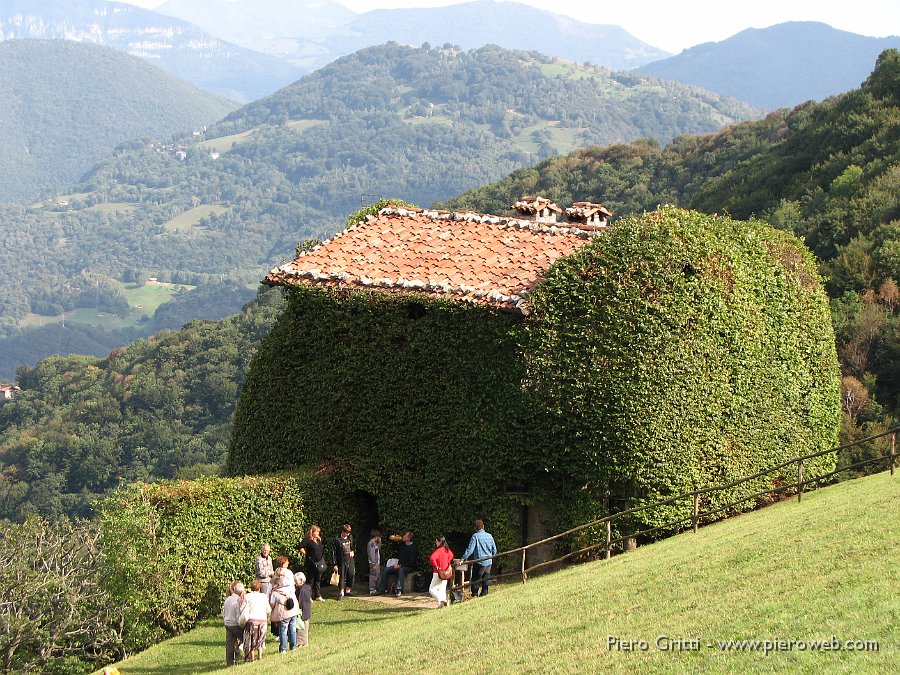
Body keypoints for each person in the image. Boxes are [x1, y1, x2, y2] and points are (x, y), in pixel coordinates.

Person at [460, 519, 497, 597]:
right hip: (489, 561)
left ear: (475, 528)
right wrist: (492, 556)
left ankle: (475, 594)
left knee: (476, 579)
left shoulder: (475, 536)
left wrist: (463, 558)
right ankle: (484, 593)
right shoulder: (489, 535)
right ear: (483, 526)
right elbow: (494, 549)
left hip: (480, 561)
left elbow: (470, 550)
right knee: (486, 578)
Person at [376, 531, 417, 596]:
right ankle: (381, 589)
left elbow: (411, 562)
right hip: (399, 565)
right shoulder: (403, 545)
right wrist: (394, 540)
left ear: (409, 538)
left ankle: (399, 590)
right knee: (387, 570)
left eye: (405, 535)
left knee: (401, 570)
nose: (403, 536)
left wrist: (400, 566)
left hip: (409, 567)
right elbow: (394, 547)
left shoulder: (413, 547)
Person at [269, 569, 299, 653]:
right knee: (292, 629)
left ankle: (283, 649)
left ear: (276, 584)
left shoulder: (275, 593)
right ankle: (293, 647)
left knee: (283, 631)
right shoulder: (290, 588)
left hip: (283, 614)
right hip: (292, 611)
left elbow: (272, 604)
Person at [242, 580, 271, 662]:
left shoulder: (247, 596)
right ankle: (260, 655)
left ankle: (252, 657)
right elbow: (268, 609)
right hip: (262, 620)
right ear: (259, 588)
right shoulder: (264, 596)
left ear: (251, 588)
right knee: (260, 638)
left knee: (251, 639)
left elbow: (244, 609)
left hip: (251, 620)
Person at [298, 525, 326, 602]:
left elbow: (322, 548)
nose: (318, 533)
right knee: (310, 580)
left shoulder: (319, 540)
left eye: (318, 532)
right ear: (312, 532)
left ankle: (318, 595)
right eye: (316, 532)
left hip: (319, 562)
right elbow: (300, 546)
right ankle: (308, 596)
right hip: (311, 563)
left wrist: (320, 540)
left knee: (318, 579)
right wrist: (306, 553)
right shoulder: (307, 540)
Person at [221, 580, 245, 666]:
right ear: (241, 592)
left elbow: (223, 612)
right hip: (235, 624)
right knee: (246, 638)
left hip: (227, 624)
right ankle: (248, 657)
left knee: (229, 644)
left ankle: (230, 662)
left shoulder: (227, 599)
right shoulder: (237, 601)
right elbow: (238, 615)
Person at [428, 536, 454, 609]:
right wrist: (447, 562)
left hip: (438, 572)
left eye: (436, 542)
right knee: (442, 588)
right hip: (445, 572)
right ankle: (443, 602)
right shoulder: (447, 550)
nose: (436, 543)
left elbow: (432, 558)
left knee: (432, 589)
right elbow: (451, 555)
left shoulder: (439, 550)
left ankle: (441, 600)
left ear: (440, 542)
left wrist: (436, 566)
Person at [332, 522, 356, 599]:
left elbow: (353, 546)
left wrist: (353, 551)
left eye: (348, 533)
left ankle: (348, 590)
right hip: (341, 560)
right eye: (346, 533)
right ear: (343, 531)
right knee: (342, 576)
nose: (347, 534)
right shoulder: (337, 540)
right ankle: (341, 592)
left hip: (350, 559)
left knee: (351, 573)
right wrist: (335, 564)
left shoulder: (350, 537)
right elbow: (334, 552)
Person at [293, 571, 312, 647]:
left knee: (302, 627)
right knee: (302, 627)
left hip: (303, 611)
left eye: (296, 580)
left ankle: (302, 643)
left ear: (301, 580)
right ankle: (302, 642)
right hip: (305, 611)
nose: (295, 582)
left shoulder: (303, 590)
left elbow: (302, 602)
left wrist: (299, 610)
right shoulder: (304, 588)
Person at [367, 529, 382, 595]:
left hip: (377, 562)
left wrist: (379, 542)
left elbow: (378, 548)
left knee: (377, 575)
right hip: (374, 563)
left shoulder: (375, 543)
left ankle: (377, 588)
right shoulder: (371, 544)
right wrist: (373, 564)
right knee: (373, 576)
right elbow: (371, 554)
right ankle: (372, 589)